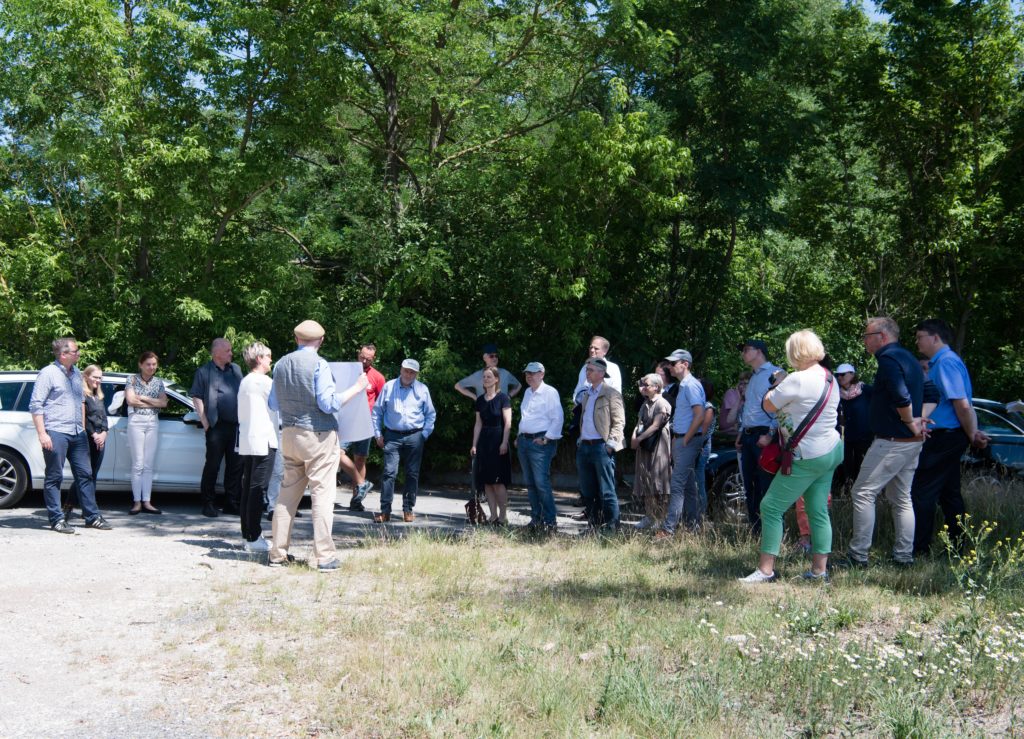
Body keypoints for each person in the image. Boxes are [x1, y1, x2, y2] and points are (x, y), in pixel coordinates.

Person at [739, 330, 841, 583]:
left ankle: (765, 571)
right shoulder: (830, 377)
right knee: (818, 509)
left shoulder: (795, 380)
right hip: (831, 450)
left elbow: (768, 405)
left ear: (795, 352)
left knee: (770, 506)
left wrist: (779, 383)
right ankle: (819, 571)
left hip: (807, 455)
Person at [268, 320, 368, 571]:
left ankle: (277, 554)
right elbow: (328, 403)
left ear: (296, 339)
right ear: (321, 340)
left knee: (286, 496)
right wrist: (356, 388)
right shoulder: (320, 364)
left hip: (289, 434)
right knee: (323, 496)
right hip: (318, 436)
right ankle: (324, 556)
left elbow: (274, 403)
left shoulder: (280, 364)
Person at [842, 317, 925, 568]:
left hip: (892, 441)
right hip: (910, 442)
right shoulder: (908, 358)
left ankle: (858, 556)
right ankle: (903, 557)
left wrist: (911, 422)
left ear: (883, 336)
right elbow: (931, 392)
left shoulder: (889, 359)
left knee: (862, 492)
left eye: (868, 335)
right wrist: (919, 422)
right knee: (901, 497)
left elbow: (901, 395)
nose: (865, 340)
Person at [911, 318, 988, 556]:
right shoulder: (943, 362)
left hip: (945, 437)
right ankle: (955, 548)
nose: (917, 342)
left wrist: (972, 435)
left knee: (922, 492)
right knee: (949, 494)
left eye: (920, 336)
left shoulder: (945, 363)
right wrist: (971, 434)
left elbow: (963, 405)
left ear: (935, 337)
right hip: (949, 436)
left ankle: (919, 551)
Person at [29, 337, 112, 533]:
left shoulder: (76, 373)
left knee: (86, 475)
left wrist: (82, 428)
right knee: (54, 477)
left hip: (77, 433)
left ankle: (92, 516)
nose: (79, 354)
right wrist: (43, 434)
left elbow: (80, 402)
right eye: (75, 351)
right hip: (56, 431)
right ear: (64, 354)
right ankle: (57, 519)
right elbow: (35, 405)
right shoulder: (47, 373)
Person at [372, 358, 437, 523]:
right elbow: (377, 411)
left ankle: (408, 509)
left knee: (412, 474)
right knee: (389, 473)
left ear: (416, 374)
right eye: (406, 370)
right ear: (401, 370)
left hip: (415, 435)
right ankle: (385, 511)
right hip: (392, 435)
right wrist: (378, 434)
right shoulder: (389, 387)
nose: (408, 374)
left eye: (412, 372)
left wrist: (424, 434)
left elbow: (430, 414)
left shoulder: (422, 389)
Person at [655, 350, 706, 537]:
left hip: (688, 439)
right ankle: (693, 526)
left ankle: (669, 529)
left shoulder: (691, 385)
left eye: (673, 363)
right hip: (683, 438)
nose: (669, 366)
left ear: (684, 364)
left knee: (677, 485)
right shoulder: (684, 385)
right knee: (688, 486)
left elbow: (700, 414)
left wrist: (685, 438)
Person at [191, 338, 243, 517]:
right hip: (216, 427)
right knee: (212, 465)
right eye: (228, 350)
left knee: (235, 466)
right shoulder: (204, 371)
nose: (231, 353)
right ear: (217, 352)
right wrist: (205, 422)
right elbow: (196, 396)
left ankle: (231, 502)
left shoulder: (235, 369)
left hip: (236, 426)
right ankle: (208, 503)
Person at [735, 339, 780, 533]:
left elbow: (781, 409)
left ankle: (771, 531)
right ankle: (756, 530)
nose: (743, 354)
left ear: (759, 351)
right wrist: (741, 433)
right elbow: (750, 409)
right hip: (748, 437)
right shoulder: (753, 377)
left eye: (746, 350)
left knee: (766, 486)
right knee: (750, 486)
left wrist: (770, 434)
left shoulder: (775, 374)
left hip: (764, 436)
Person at [237, 342, 279, 553]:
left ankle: (248, 533)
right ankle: (253, 536)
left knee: (249, 488)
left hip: (249, 439)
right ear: (260, 358)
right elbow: (280, 404)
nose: (271, 360)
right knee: (257, 489)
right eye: (269, 356)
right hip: (264, 439)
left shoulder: (245, 381)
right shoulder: (264, 381)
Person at [575, 357, 625, 531]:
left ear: (601, 373)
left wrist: (610, 445)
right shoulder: (587, 394)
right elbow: (585, 419)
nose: (587, 373)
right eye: (587, 370)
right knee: (588, 491)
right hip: (585, 447)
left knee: (606, 490)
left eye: (590, 370)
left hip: (601, 446)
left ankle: (612, 527)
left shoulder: (612, 393)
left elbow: (619, 422)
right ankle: (594, 526)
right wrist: (581, 440)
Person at [515, 362, 563, 532]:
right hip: (524, 441)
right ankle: (537, 519)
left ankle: (550, 522)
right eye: (527, 373)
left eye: (533, 373)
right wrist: (519, 435)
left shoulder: (549, 392)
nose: (529, 376)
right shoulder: (528, 392)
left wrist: (547, 438)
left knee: (541, 483)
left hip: (540, 442)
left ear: (542, 374)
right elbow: (526, 417)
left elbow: (558, 418)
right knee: (530, 483)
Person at [342, 343, 387, 512]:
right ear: (358, 353)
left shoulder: (378, 377)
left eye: (368, 358)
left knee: (360, 459)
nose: (364, 360)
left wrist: (379, 429)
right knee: (336, 453)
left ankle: (356, 499)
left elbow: (382, 404)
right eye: (362, 356)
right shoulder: (347, 373)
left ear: (373, 358)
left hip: (364, 422)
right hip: (345, 420)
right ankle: (362, 484)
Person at [125, 351, 168, 514]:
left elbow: (164, 403)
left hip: (152, 422)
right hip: (136, 422)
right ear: (140, 365)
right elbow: (130, 400)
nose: (151, 367)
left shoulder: (158, 382)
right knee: (138, 464)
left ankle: (147, 501)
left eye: (154, 364)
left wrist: (142, 398)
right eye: (148, 364)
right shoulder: (132, 379)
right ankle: (136, 502)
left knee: (148, 464)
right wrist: (154, 402)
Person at [63, 364, 107, 520]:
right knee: (84, 476)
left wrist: (104, 433)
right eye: (95, 377)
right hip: (86, 439)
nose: (98, 380)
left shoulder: (99, 395)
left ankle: (86, 509)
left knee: (92, 475)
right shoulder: (82, 395)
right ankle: (71, 506)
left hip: (99, 440)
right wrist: (94, 434)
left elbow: (103, 417)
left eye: (100, 378)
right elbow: (84, 419)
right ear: (86, 376)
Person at [470, 367, 512, 524]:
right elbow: (478, 424)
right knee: (487, 481)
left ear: (496, 379)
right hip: (484, 442)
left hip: (498, 439)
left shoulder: (503, 398)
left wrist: (504, 442)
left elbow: (508, 422)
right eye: (484, 377)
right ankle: (492, 515)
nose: (486, 379)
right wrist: (474, 444)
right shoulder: (480, 400)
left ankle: (503, 516)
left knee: (498, 481)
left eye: (489, 376)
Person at [631, 373, 672, 530]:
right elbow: (639, 423)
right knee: (646, 480)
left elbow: (656, 425)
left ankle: (661, 517)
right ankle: (650, 515)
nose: (644, 387)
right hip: (645, 446)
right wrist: (634, 436)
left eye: (646, 384)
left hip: (658, 446)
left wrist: (639, 439)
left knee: (659, 480)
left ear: (656, 387)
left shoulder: (662, 404)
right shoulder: (645, 403)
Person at [834, 362, 874, 491]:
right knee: (846, 466)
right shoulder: (837, 395)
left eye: (842, 374)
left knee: (863, 465)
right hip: (847, 437)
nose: (839, 377)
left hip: (865, 437)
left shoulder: (865, 390)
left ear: (852, 375)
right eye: (837, 375)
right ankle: (846, 492)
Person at [455, 343, 522, 399]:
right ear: (484, 358)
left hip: (503, 413)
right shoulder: (477, 375)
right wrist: (475, 397)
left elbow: (518, 385)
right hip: (484, 413)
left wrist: (509, 396)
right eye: (491, 356)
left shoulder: (505, 373)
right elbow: (458, 386)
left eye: (496, 356)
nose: (495, 358)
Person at [695, 378, 717, 521]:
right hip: (694, 446)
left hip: (701, 448)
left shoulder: (708, 408)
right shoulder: (697, 406)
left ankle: (700, 514)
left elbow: (703, 432)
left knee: (699, 479)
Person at [719, 372, 750, 437]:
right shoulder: (731, 393)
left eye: (745, 384)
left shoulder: (750, 396)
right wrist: (739, 398)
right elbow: (732, 419)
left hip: (740, 432)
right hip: (727, 432)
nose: (742, 386)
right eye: (741, 384)